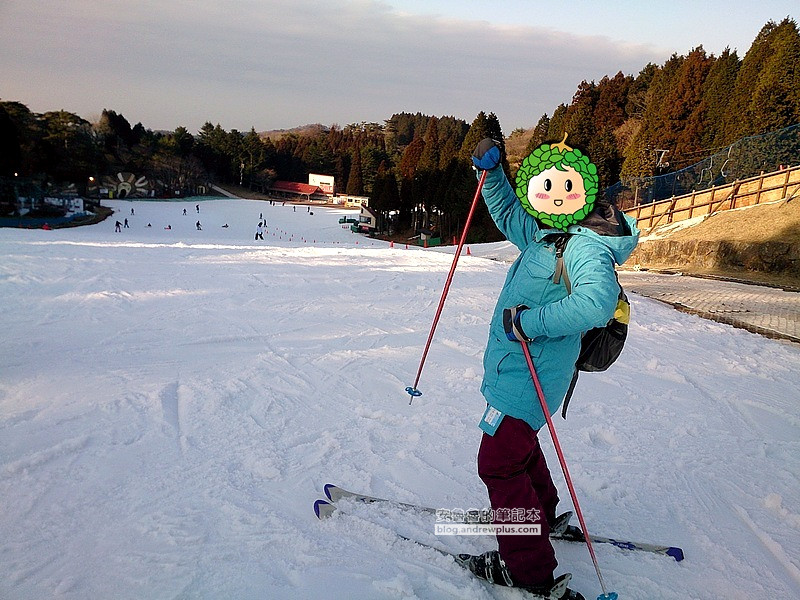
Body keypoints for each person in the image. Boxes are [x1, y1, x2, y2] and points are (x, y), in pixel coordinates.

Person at [465, 137, 639, 595]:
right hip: (519, 372)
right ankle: (542, 514)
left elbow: (596, 304)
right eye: (546, 184)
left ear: (583, 189)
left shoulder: (584, 247)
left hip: (529, 376)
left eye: (565, 184)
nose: (554, 194)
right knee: (517, 448)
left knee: (498, 464)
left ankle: (528, 570)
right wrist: (494, 173)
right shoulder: (549, 230)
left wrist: (529, 323)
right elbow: (508, 215)